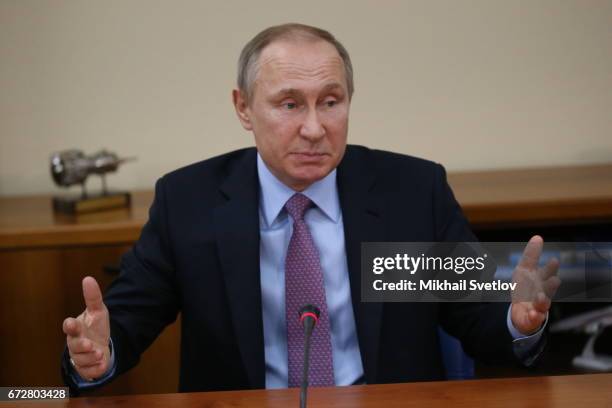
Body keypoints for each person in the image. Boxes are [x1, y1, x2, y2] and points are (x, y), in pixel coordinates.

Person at [61, 23, 560, 393]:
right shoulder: (189, 201)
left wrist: (518, 319)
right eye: (290, 104)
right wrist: (98, 353)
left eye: (331, 101)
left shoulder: (409, 191)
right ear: (243, 108)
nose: (316, 128)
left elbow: (476, 317)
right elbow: (126, 322)